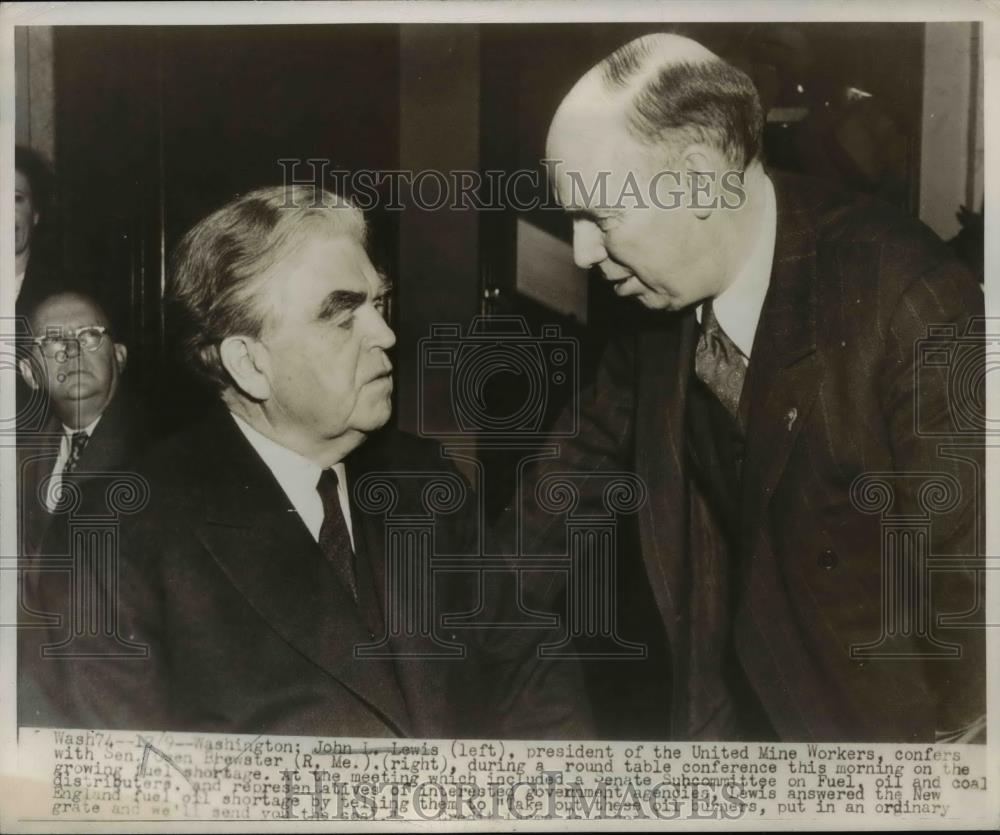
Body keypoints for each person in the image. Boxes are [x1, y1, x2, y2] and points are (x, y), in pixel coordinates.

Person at [519, 33, 985, 742]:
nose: (582, 252)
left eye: (600, 217)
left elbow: (978, 634)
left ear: (702, 181)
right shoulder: (652, 309)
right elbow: (549, 502)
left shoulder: (911, 305)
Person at [35, 186, 587, 739]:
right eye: (343, 317)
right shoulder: (114, 536)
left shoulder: (426, 483)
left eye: (379, 303)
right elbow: (127, 798)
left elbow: (533, 679)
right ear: (250, 365)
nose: (387, 335)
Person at [16, 287, 153, 726]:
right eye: (52, 341)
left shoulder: (160, 458)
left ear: (120, 356)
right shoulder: (20, 459)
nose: (72, 350)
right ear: (29, 372)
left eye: (90, 335)